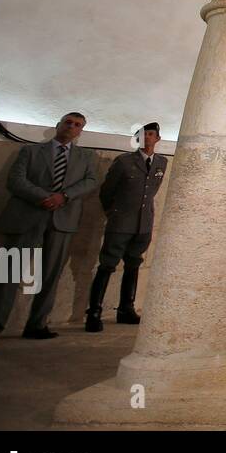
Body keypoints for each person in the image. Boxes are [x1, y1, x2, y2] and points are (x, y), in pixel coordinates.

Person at [0, 112, 99, 347]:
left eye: (77, 125)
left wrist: (64, 196)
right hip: (28, 216)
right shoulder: (30, 152)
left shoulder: (85, 157)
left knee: (50, 275)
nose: (71, 127)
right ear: (58, 125)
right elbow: (16, 180)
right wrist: (44, 197)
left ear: (81, 131)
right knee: (10, 274)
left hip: (62, 219)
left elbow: (90, 182)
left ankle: (37, 324)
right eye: (68, 122)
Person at [87, 122, 168, 332]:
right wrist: (114, 213)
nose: (147, 138)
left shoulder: (161, 162)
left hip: (143, 223)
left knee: (133, 264)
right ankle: (94, 311)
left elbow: (152, 190)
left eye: (151, 134)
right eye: (143, 134)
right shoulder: (124, 162)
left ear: (157, 139)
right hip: (121, 221)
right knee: (107, 265)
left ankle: (126, 308)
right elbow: (107, 191)